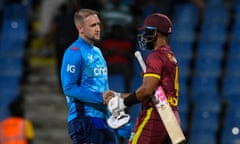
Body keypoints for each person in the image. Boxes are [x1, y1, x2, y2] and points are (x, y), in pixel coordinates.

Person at [103, 13, 181, 144]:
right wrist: (119, 95)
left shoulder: (156, 57)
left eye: (147, 31)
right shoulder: (170, 56)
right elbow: (155, 94)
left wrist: (124, 103)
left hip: (155, 116)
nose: (145, 36)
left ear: (155, 33)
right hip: (171, 117)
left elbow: (146, 91)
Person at [60, 8, 116, 144]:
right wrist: (99, 97)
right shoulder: (74, 52)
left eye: (98, 24)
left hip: (103, 120)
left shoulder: (97, 52)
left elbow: (103, 87)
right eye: (93, 25)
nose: (98, 29)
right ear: (81, 29)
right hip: (84, 119)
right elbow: (69, 88)